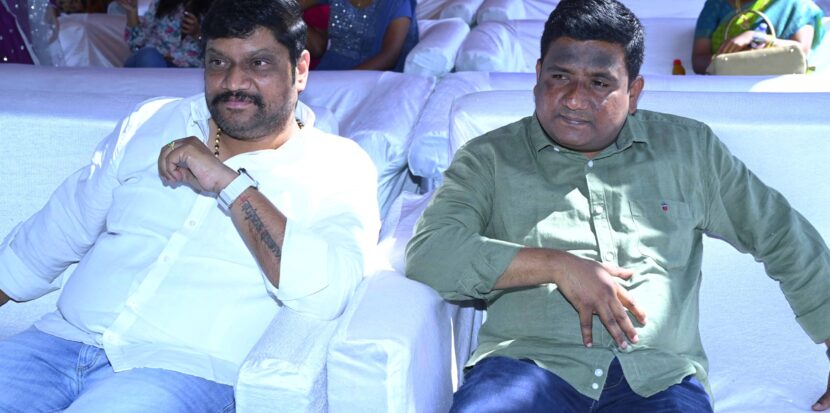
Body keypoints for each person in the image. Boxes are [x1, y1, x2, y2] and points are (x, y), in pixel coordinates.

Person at [406, 0, 830, 411]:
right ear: (537, 75)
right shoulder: (490, 158)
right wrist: (557, 265)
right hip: (525, 366)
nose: (574, 98)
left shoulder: (689, 150)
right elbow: (431, 252)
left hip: (658, 380)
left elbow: (778, 232)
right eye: (560, 76)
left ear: (634, 92)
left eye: (599, 83)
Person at [0, 0, 380, 410]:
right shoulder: (153, 121)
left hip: (179, 370)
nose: (234, 81)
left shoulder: (337, 165)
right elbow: (60, 228)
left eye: (259, 64)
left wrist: (230, 186)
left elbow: (330, 293)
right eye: (218, 62)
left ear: (300, 69)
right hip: (58, 342)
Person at [692, 0, 825, 74]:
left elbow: (801, 51)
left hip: (781, 86)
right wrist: (735, 61)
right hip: (726, 87)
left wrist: (758, 37)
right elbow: (699, 60)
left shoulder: (796, 4)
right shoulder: (716, 4)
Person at [299, 0, 418, 72]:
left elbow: (389, 57)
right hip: (329, 67)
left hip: (370, 76)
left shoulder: (399, 3)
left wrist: (341, 80)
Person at [117, 0, 213, 67]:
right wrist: (132, 11)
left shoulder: (215, 9)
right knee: (150, 55)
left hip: (185, 70)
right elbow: (135, 43)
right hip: (149, 62)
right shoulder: (160, 4)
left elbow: (216, 50)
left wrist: (197, 34)